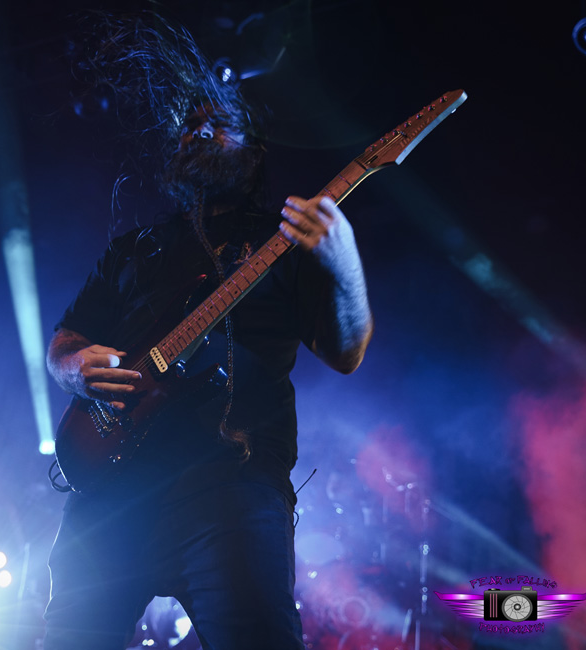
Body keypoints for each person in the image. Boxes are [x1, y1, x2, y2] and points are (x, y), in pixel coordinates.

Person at [43, 17, 373, 650]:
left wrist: (344, 258)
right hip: (113, 488)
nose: (199, 128)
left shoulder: (284, 244)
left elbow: (347, 350)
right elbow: (65, 338)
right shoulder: (132, 249)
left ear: (252, 147)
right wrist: (75, 365)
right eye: (189, 123)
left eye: (217, 122)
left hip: (230, 482)